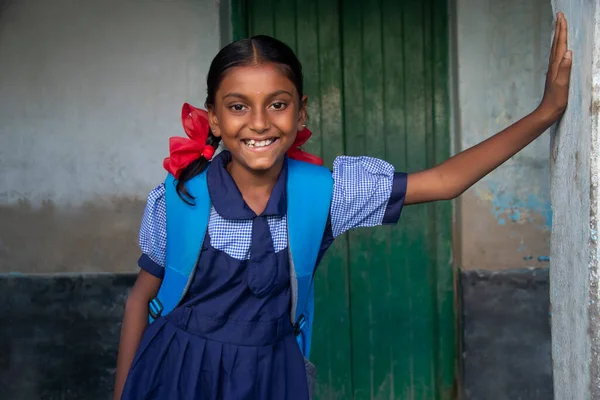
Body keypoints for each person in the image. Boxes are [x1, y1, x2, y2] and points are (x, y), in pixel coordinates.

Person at [114, 12, 571, 400]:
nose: (259, 122)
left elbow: (444, 182)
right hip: (178, 371)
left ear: (302, 112)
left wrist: (545, 113)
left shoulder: (324, 194)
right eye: (237, 107)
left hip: (274, 377)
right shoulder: (180, 197)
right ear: (213, 116)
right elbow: (141, 298)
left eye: (277, 104)